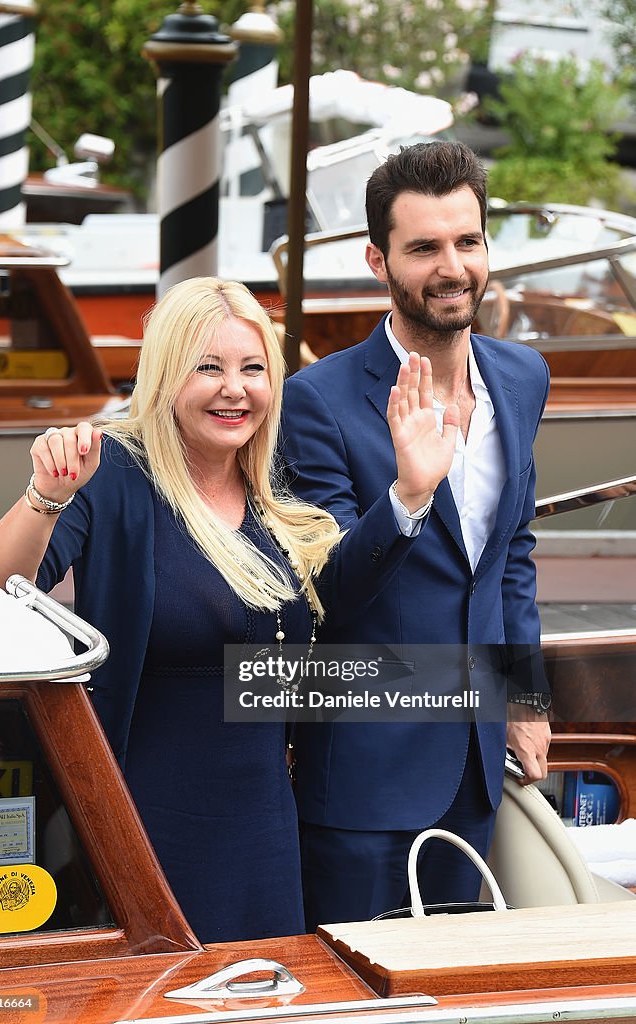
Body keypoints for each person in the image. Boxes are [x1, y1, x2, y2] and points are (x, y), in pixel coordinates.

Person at [0, 276, 458, 944]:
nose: (236, 388)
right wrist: (44, 499)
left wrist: (409, 491)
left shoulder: (269, 490)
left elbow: (337, 599)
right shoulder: (112, 471)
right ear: (167, 374)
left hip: (263, 823)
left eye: (253, 368)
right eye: (210, 367)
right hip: (146, 824)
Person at [280, 141, 553, 930]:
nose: (451, 266)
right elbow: (324, 589)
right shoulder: (317, 400)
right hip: (364, 777)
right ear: (378, 259)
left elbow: (511, 560)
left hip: (476, 767)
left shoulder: (523, 375)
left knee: (451, 997)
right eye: (424, 247)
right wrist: (406, 496)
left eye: (467, 242)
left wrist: (525, 699)